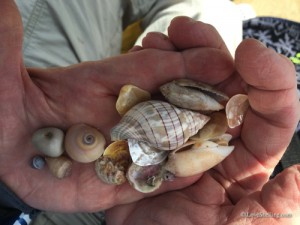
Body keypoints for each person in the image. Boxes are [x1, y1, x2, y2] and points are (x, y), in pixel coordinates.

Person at [0, 0, 299, 225]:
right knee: (208, 10)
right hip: (68, 209)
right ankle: (226, 13)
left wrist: (7, 193)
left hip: (41, 198)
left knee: (196, 29)